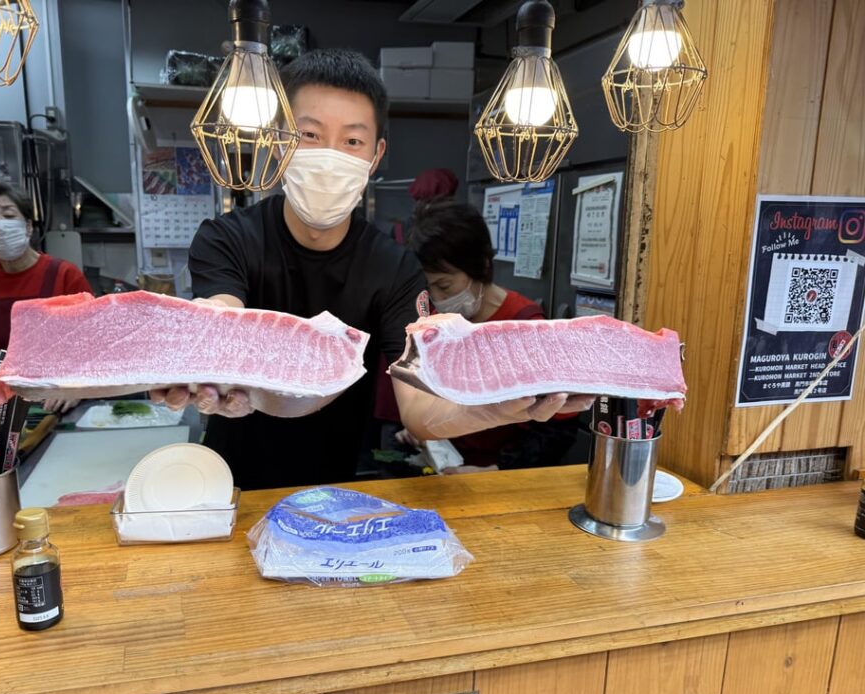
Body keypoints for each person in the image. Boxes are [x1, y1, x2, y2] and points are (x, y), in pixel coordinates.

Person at [152, 49, 591, 490]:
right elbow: (222, 312)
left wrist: (499, 407)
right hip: (229, 486)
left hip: (338, 490)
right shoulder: (227, 238)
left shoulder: (394, 268)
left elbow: (418, 408)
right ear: (280, 140)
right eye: (310, 134)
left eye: (352, 142)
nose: (330, 157)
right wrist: (204, 349)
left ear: (376, 155)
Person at [398, 198, 583, 472]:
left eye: (445, 286)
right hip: (443, 464)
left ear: (482, 266)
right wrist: (421, 425)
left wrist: (496, 469)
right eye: (428, 287)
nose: (437, 298)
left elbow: (556, 432)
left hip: (497, 476)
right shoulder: (433, 322)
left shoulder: (524, 323)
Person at [0, 181, 91, 413]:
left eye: (8, 215)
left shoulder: (64, 275)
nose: (0, 225)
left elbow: (91, 343)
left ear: (28, 226)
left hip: (54, 399)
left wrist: (75, 387)